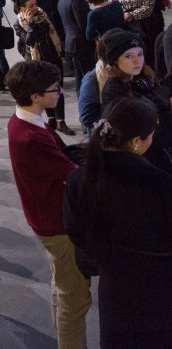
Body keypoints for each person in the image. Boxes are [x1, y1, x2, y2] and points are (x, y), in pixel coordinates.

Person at [65, 97, 172, 347]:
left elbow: (76, 232)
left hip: (114, 284)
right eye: (151, 134)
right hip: (158, 288)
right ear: (136, 142)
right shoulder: (159, 185)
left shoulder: (80, 178)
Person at [5, 61, 91, 348]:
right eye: (55, 90)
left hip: (44, 216)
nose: (60, 94)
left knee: (62, 287)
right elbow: (70, 175)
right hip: (56, 223)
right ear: (35, 96)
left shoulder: (22, 120)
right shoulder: (32, 137)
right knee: (75, 299)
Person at [99, 29, 172, 172]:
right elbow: (145, 132)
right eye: (128, 56)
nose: (137, 60)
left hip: (159, 152)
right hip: (144, 161)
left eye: (140, 54)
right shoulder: (114, 91)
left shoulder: (140, 78)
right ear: (114, 61)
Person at [11, 0, 74, 135]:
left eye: (35, 4)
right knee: (43, 90)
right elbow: (29, 41)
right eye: (31, 5)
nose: (35, 7)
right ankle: (51, 118)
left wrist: (61, 50)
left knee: (58, 89)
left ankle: (61, 121)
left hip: (52, 56)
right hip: (36, 61)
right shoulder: (19, 23)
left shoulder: (43, 15)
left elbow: (54, 32)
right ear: (22, 8)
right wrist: (32, 25)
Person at [57, 0, 95, 95]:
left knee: (81, 79)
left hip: (73, 44)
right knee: (88, 79)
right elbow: (84, 24)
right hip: (81, 44)